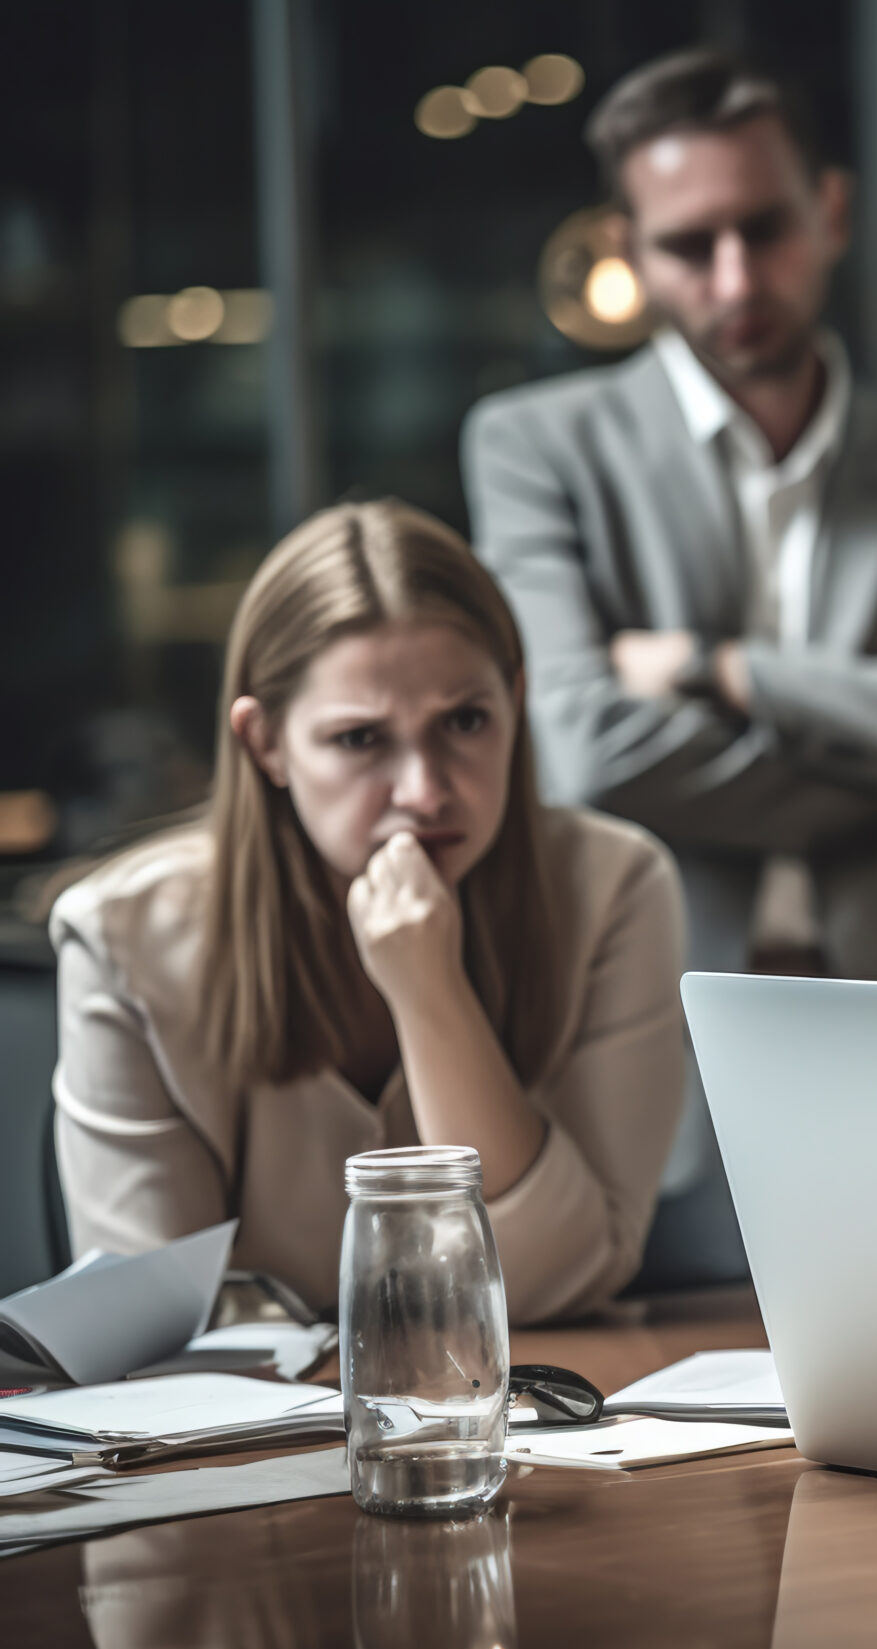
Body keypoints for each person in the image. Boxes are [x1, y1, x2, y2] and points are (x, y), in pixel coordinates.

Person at [463, 47, 877, 990]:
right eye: (690, 246)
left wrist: (712, 669)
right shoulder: (537, 447)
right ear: (631, 254)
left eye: (765, 229)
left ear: (834, 211)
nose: (735, 281)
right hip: (654, 987)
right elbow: (586, 748)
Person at [50, 501, 686, 1323]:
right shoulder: (121, 937)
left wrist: (429, 991)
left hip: (519, 1428)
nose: (424, 790)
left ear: (515, 703)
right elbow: (141, 1330)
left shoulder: (616, 888)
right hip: (246, 1447)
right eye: (360, 739)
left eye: (465, 720)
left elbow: (550, 1283)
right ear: (265, 743)